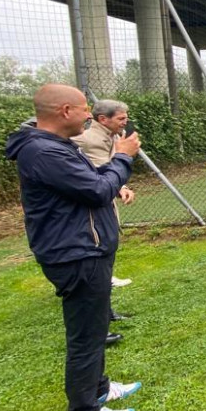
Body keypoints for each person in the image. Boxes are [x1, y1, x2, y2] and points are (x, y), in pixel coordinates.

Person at [5, 84, 142, 411]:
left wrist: (114, 170)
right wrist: (122, 157)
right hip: (76, 253)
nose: (88, 115)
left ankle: (99, 388)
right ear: (65, 111)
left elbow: (93, 184)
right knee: (86, 336)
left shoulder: (56, 146)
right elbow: (97, 190)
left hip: (87, 249)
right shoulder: (43, 152)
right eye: (83, 109)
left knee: (95, 327)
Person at [73, 99, 137, 344]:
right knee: (96, 266)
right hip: (91, 212)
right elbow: (100, 175)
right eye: (121, 118)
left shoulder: (113, 137)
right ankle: (97, 327)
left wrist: (121, 187)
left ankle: (106, 313)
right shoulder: (88, 140)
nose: (125, 122)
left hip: (105, 204)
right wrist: (122, 164)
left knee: (105, 263)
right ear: (103, 119)